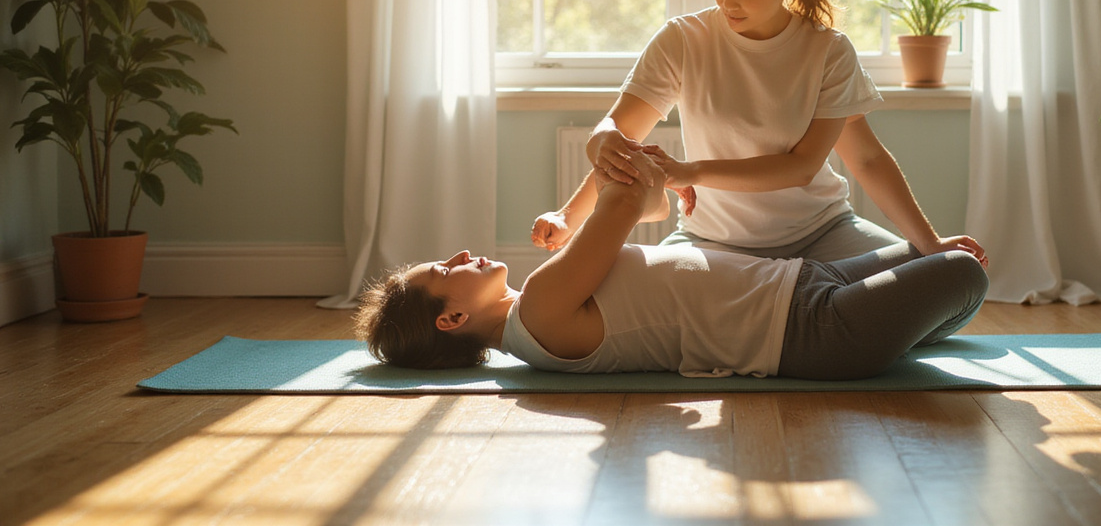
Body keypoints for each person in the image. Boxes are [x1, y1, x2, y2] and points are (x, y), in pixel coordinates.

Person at [532, 0, 988, 268]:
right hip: (712, 245)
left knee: (956, 277)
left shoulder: (827, 51)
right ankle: (807, 312)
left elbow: (843, 161)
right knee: (616, 298)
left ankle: (802, 306)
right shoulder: (683, 40)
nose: (729, 1)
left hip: (824, 236)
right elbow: (619, 131)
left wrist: (930, 243)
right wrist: (570, 211)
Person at [356, 149, 988, 378]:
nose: (460, 256)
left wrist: (660, 184)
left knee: (932, 252)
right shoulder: (543, 311)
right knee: (963, 272)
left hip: (798, 282)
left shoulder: (536, 314)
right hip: (810, 330)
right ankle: (892, 333)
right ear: (452, 318)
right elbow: (630, 200)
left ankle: (900, 327)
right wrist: (612, 148)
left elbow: (640, 212)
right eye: (443, 269)